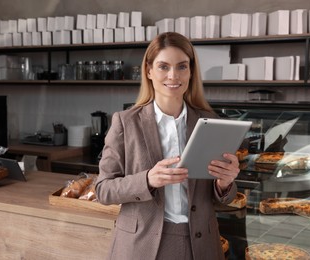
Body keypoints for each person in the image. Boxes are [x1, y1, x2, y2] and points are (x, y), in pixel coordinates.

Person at [95, 32, 240, 260]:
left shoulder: (210, 122)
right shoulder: (125, 122)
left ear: (191, 72)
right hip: (141, 245)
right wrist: (147, 180)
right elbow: (103, 190)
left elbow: (224, 197)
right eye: (163, 66)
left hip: (201, 246)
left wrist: (225, 183)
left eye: (182, 67)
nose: (173, 75)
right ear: (149, 71)